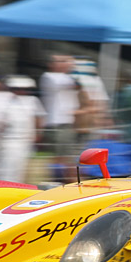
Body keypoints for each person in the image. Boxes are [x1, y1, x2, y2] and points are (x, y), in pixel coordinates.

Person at [0, 76, 43, 183]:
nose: (21, 91)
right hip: (9, 140)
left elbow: (38, 117)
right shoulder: (2, 101)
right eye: (17, 88)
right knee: (5, 169)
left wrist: (37, 134)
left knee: (20, 170)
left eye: (25, 89)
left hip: (25, 141)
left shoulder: (32, 101)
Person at [39, 54, 80, 183]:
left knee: (67, 157)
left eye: (65, 61)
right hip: (57, 123)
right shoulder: (48, 77)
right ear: (51, 64)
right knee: (63, 158)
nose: (65, 64)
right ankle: (58, 182)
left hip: (67, 123)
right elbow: (75, 85)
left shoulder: (67, 77)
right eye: (61, 61)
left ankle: (63, 182)